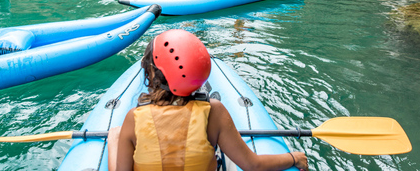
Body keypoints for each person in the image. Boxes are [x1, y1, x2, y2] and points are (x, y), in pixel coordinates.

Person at [107, 29, 309, 171]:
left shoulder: (133, 118)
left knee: (115, 137)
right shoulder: (214, 111)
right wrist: (294, 157)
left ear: (152, 74)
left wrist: (114, 143)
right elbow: (252, 165)